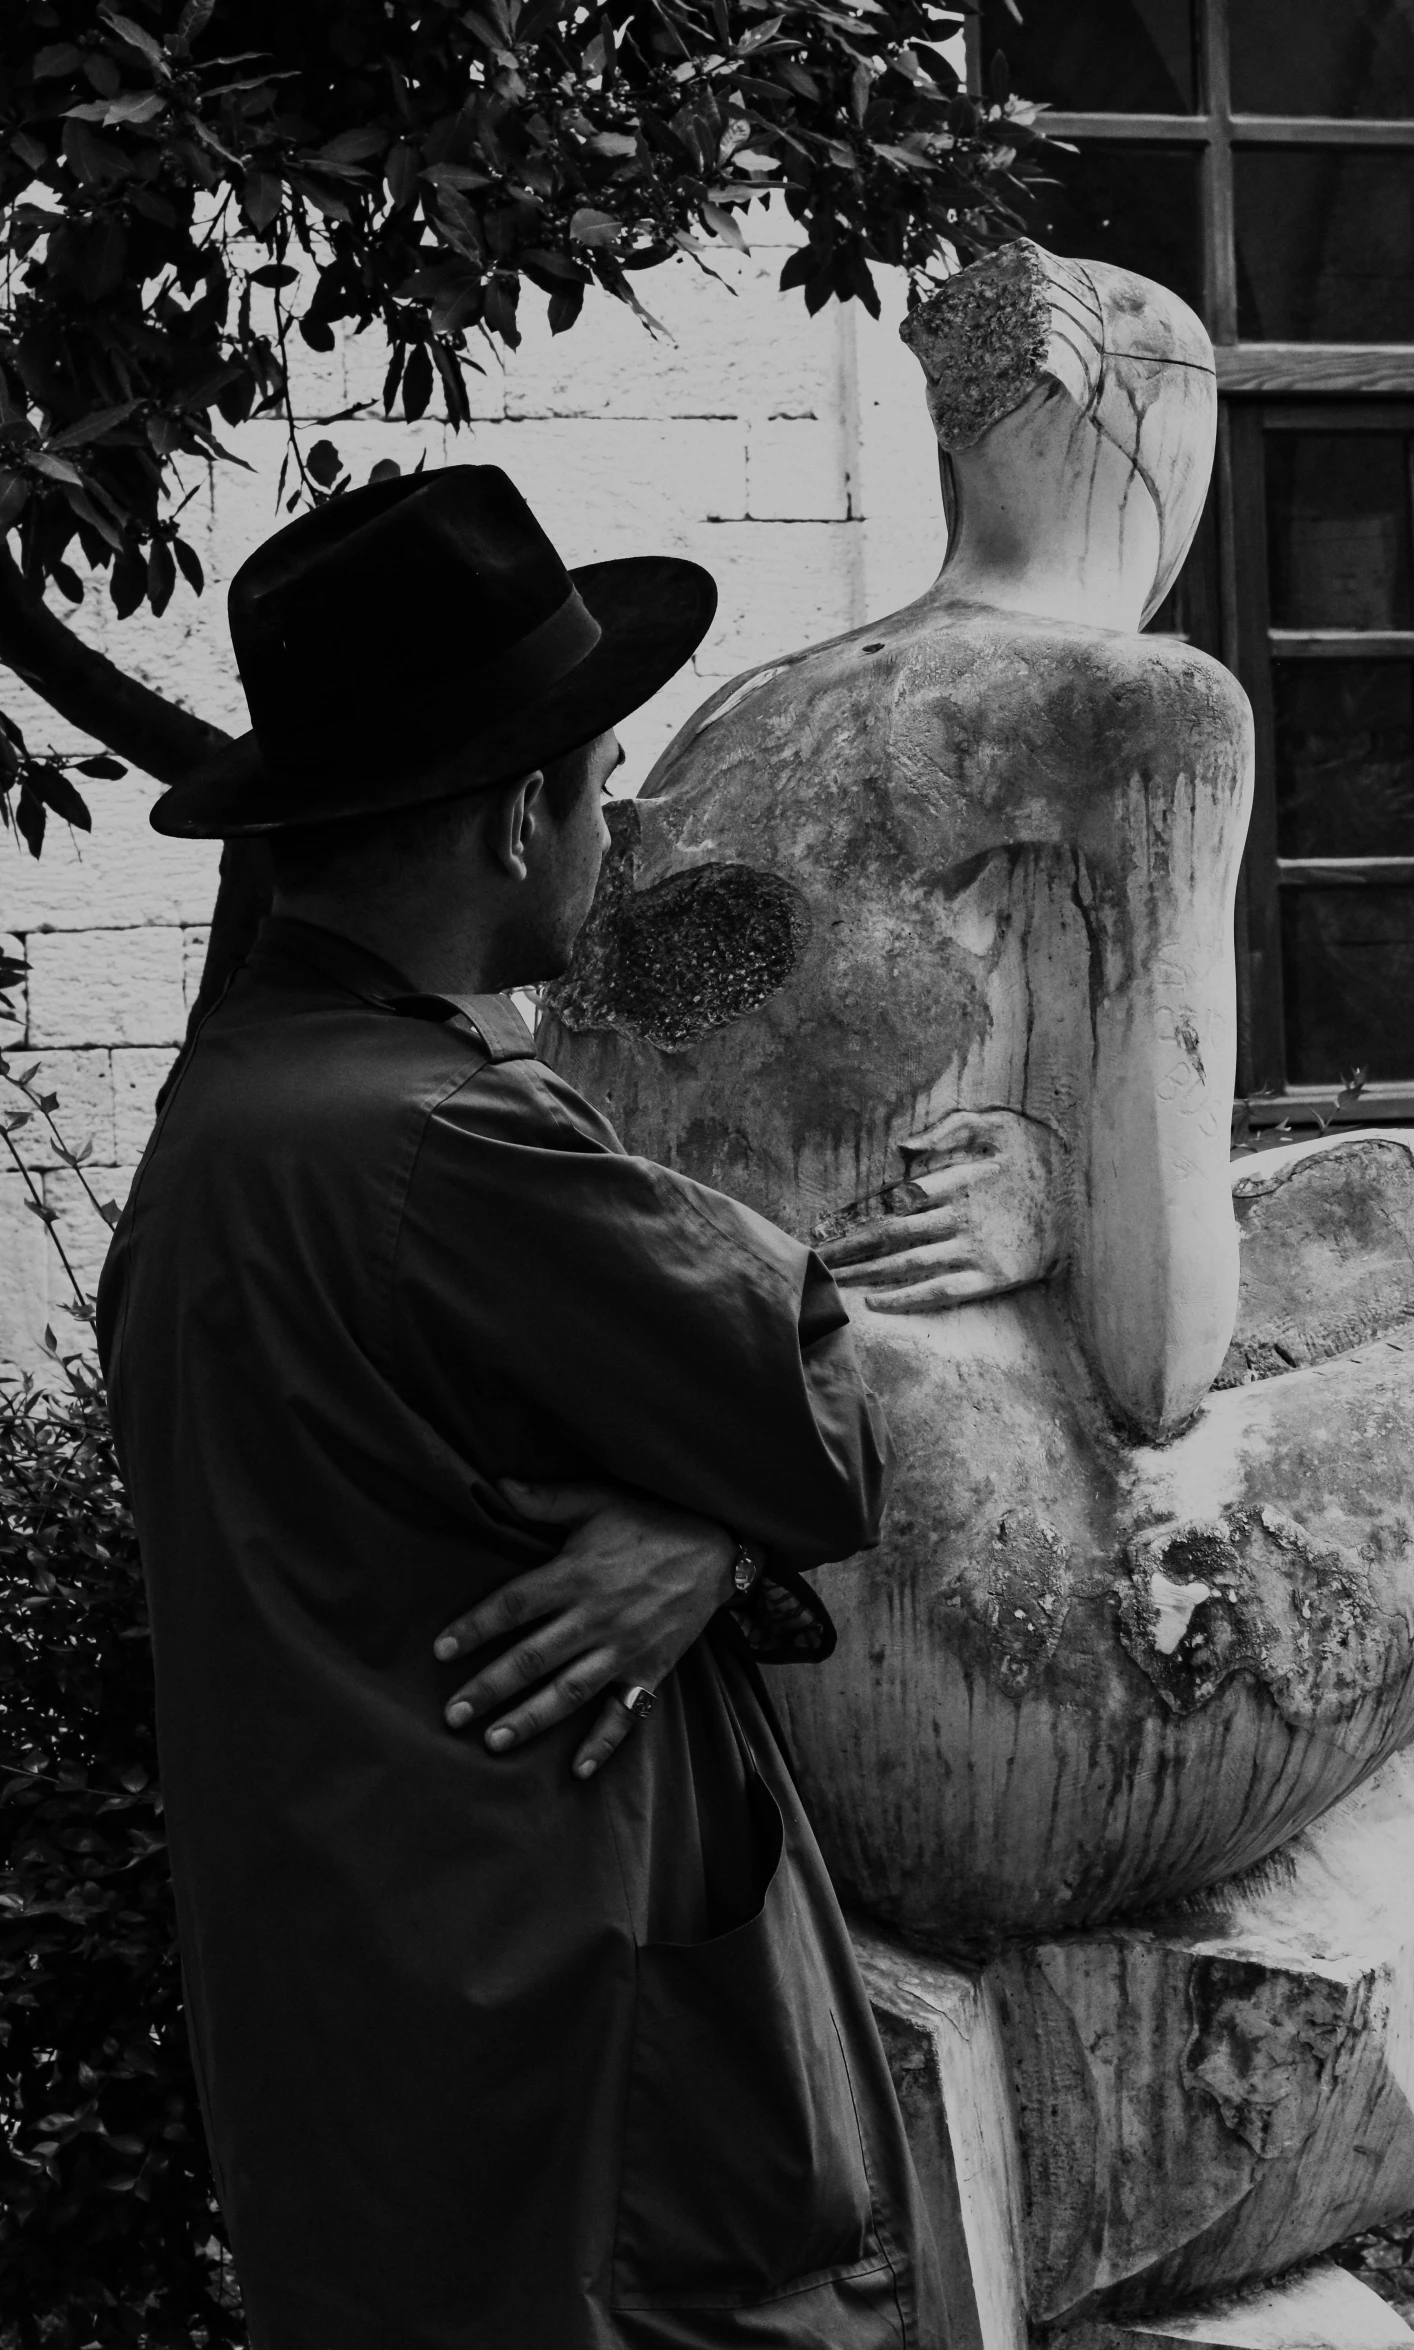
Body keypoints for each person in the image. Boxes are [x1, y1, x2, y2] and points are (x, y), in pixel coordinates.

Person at [97, 467, 945, 2350]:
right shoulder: (450, 1141)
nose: (617, 823)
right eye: (596, 778)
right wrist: (727, 1511)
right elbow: (817, 1403)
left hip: (353, 2015)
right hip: (568, 2031)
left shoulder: (216, 1132)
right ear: (510, 819)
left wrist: (697, 1541)